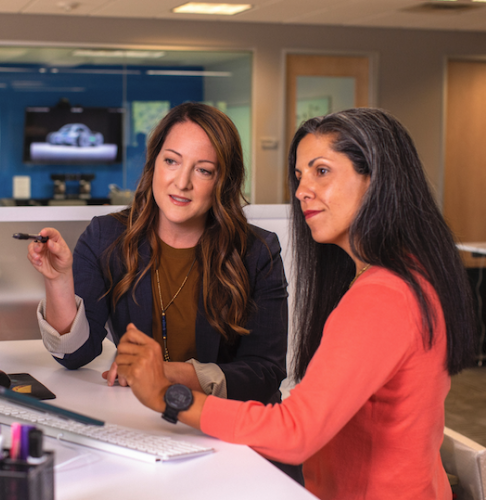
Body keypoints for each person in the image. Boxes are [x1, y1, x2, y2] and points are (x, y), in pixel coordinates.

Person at [114, 108, 477, 499]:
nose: (302, 190)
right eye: (300, 175)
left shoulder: (383, 295)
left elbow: (295, 432)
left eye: (321, 171)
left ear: (377, 180)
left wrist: (169, 397)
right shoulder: (408, 274)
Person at [27, 102, 300, 480]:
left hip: (232, 439)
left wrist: (166, 375)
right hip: (147, 433)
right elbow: (75, 355)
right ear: (154, 162)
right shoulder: (106, 237)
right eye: (172, 161)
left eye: (203, 170)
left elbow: (265, 373)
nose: (182, 182)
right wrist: (58, 280)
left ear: (223, 181)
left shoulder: (257, 250)